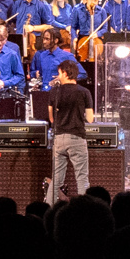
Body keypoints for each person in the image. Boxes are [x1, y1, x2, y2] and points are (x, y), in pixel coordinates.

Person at [47, 58, 93, 204]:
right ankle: (83, 210)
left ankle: (48, 209)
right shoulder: (84, 92)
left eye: (59, 73)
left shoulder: (54, 92)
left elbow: (51, 118)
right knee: (82, 178)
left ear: (65, 73)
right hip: (77, 138)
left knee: (56, 179)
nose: (58, 76)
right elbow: (90, 119)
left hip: (59, 138)